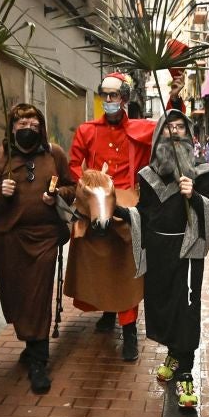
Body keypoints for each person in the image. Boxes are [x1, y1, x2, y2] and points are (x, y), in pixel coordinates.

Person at [0, 103, 75, 393]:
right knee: (17, 297)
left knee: (37, 295)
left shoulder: (54, 154)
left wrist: (56, 195)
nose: (28, 128)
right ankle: (31, 344)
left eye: (34, 123)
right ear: (12, 127)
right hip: (10, 239)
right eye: (22, 123)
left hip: (44, 237)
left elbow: (73, 187)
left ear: (41, 127)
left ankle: (39, 360)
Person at [129, 110, 209, 409]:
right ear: (159, 135)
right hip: (158, 253)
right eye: (169, 127)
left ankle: (185, 372)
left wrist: (194, 195)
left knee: (186, 310)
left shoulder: (204, 174)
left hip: (187, 252)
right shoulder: (147, 176)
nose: (175, 132)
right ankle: (173, 352)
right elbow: (142, 214)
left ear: (189, 133)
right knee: (164, 307)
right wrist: (118, 215)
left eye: (180, 127)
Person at [68, 71, 156, 359]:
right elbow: (73, 165)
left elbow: (169, 129)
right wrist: (89, 189)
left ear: (125, 98)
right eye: (104, 95)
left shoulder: (141, 129)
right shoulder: (87, 130)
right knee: (99, 264)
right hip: (95, 203)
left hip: (128, 207)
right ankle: (107, 312)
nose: (108, 100)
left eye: (114, 95)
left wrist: (176, 96)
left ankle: (129, 331)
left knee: (126, 269)